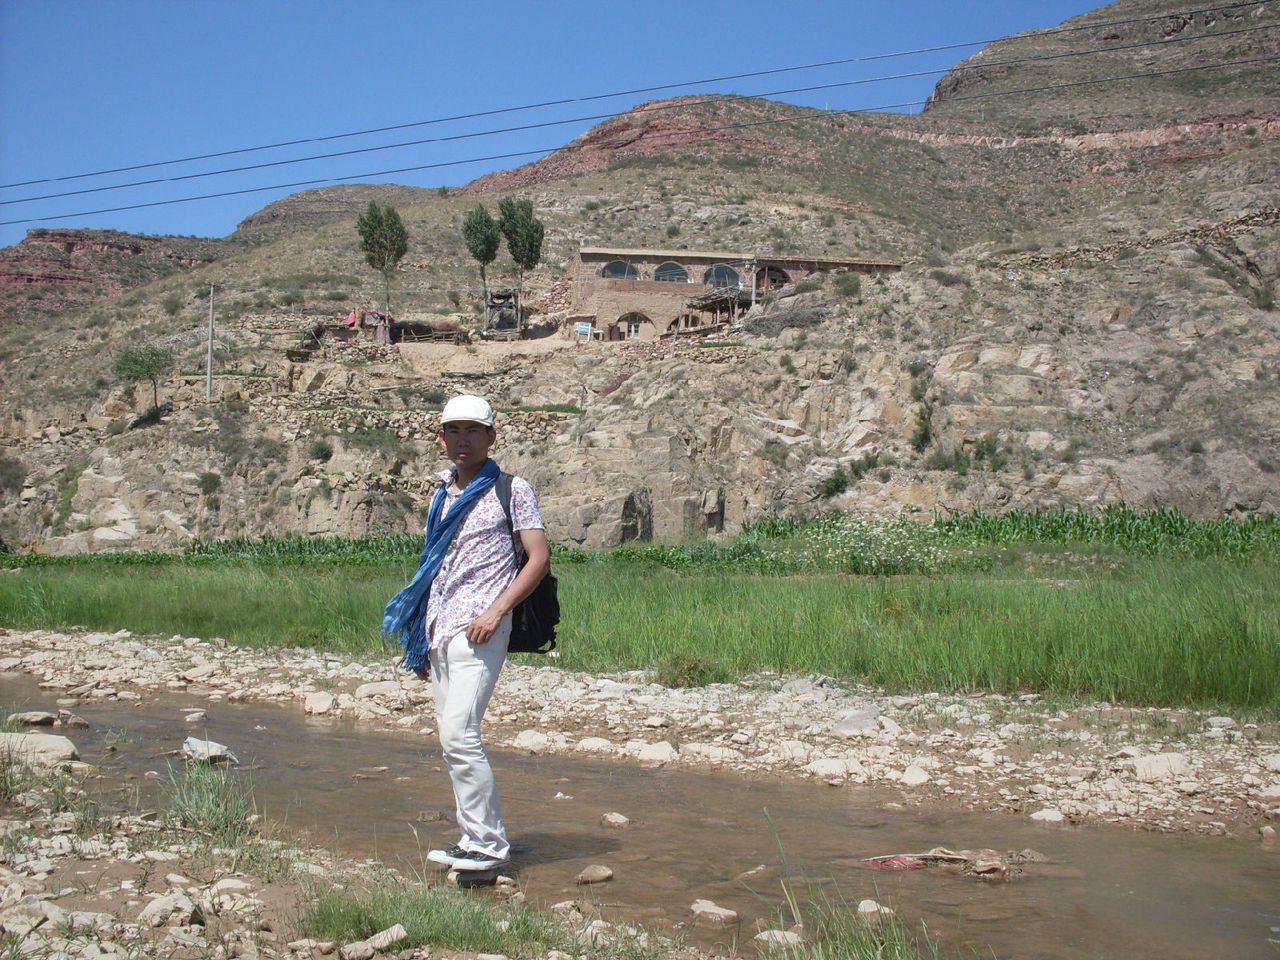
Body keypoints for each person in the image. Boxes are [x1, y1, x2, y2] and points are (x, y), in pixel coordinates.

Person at [382, 394, 550, 872]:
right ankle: (473, 838)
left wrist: (497, 611)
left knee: (460, 734)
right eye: (454, 431)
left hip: (482, 626)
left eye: (473, 431)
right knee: (452, 737)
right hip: (439, 626)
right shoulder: (441, 491)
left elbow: (537, 558)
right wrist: (422, 631)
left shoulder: (511, 489)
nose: (463, 439)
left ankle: (489, 846)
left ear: (491, 436)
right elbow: (436, 565)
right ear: (441, 437)